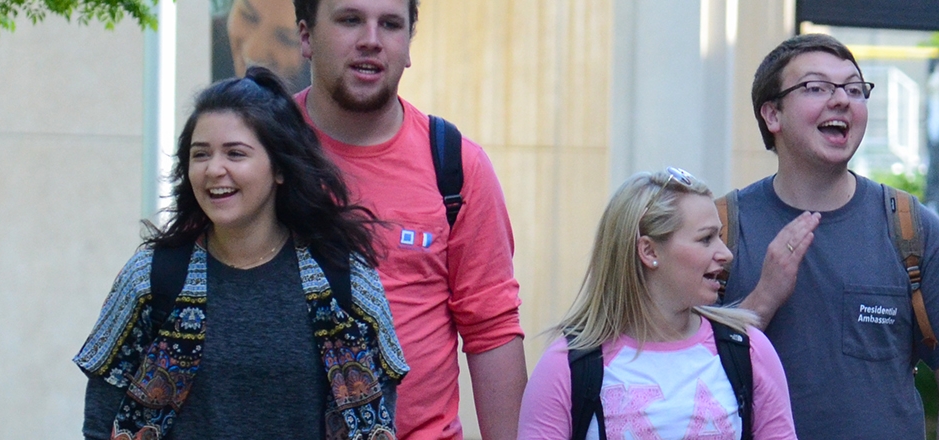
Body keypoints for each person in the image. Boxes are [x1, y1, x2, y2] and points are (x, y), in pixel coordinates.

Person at [76, 67, 408, 439]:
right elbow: (100, 423)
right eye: (200, 154)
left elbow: (378, 421)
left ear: (280, 168)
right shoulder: (150, 278)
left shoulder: (345, 279)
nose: (214, 169)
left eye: (236, 154)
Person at [719, 33, 939, 439]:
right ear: (772, 115)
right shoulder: (719, 230)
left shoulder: (910, 228)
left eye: (854, 89)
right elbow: (680, 364)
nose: (841, 100)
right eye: (816, 87)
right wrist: (762, 301)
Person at [294, 0, 527, 438]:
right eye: (349, 20)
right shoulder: (258, 155)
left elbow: (492, 330)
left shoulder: (456, 165)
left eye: (390, 24)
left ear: (408, 46)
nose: (371, 40)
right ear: (306, 35)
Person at [518, 168, 798, 440]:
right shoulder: (568, 365)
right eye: (705, 239)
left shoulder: (747, 350)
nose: (725, 253)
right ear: (649, 251)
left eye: (720, 237)